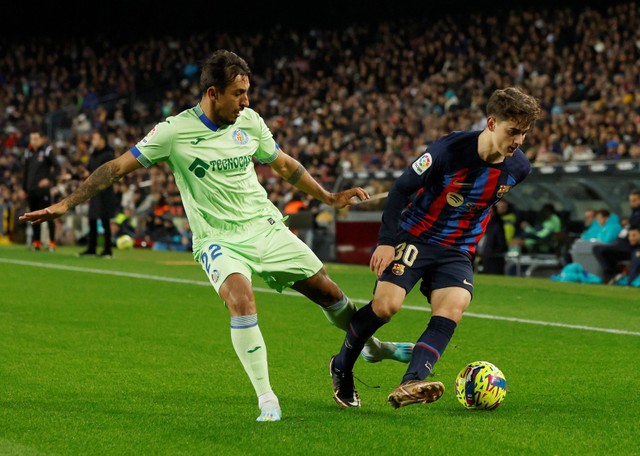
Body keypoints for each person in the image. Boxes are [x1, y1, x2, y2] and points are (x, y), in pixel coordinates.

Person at [19, 49, 413, 422]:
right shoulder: (173, 132)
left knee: (328, 292)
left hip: (264, 226)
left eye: (247, 93)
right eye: (238, 94)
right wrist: (67, 204)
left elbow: (285, 166)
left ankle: (372, 348)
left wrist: (329, 196)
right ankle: (267, 398)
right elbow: (116, 168)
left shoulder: (250, 122)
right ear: (213, 93)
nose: (245, 102)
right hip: (218, 239)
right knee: (241, 300)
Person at [327, 86, 542, 409]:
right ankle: (342, 366)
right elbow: (400, 190)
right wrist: (387, 242)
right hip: (416, 236)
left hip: (457, 249)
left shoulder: (519, 168)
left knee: (453, 307)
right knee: (386, 306)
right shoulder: (447, 150)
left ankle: (411, 381)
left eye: (524, 133)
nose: (519, 141)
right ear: (492, 123)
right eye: (513, 132)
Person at [78, 128, 117, 258]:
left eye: (95, 138)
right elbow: (90, 170)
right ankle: (91, 248)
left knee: (105, 221)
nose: (92, 141)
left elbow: (105, 173)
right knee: (92, 220)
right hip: (94, 192)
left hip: (105, 192)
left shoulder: (108, 154)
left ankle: (107, 250)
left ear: (102, 140)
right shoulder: (94, 154)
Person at [22, 129, 60, 251]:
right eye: (31, 139)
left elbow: (57, 167)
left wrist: (49, 179)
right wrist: (24, 188)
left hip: (43, 191)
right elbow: (26, 171)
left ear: (41, 139)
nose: (33, 141)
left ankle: (52, 243)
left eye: (35, 139)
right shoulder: (28, 152)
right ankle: (36, 242)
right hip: (31, 190)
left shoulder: (47, 151)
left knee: (48, 215)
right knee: (33, 217)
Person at [592, 190, 640, 283]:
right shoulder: (634, 213)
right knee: (603, 251)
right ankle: (614, 275)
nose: (631, 203)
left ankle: (612, 275)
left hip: (629, 246)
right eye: (630, 200)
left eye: (634, 200)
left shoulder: (636, 215)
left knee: (599, 249)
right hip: (621, 244)